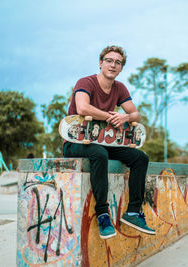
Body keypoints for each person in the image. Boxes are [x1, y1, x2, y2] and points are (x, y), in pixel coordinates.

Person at [63, 45, 155, 239]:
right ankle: (103, 214)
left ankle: (132, 212)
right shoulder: (86, 82)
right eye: (109, 61)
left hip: (103, 143)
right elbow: (82, 108)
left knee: (140, 158)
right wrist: (108, 116)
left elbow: (136, 114)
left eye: (118, 62)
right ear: (100, 63)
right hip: (76, 142)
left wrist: (125, 118)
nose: (113, 65)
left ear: (121, 68)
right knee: (99, 154)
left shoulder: (119, 88)